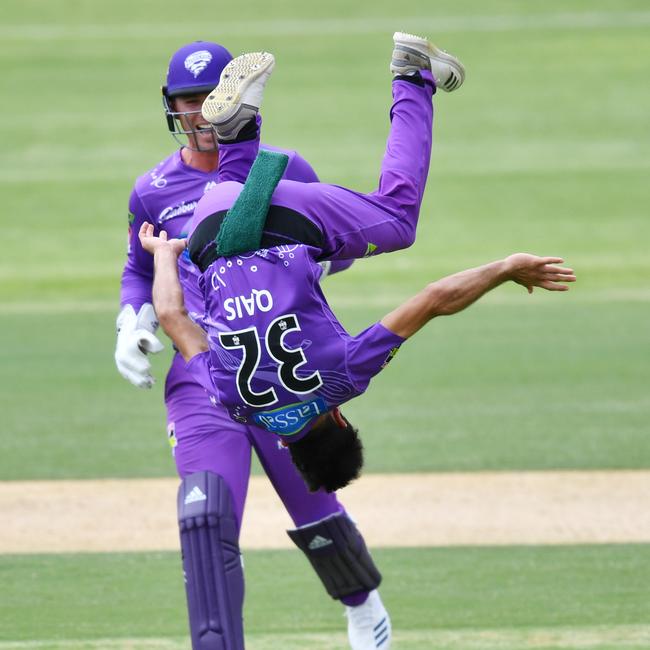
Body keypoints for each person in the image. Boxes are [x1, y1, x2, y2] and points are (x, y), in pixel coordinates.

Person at [139, 34, 574, 495]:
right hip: (207, 224)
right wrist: (167, 257)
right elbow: (173, 317)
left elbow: (433, 300)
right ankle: (235, 133)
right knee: (236, 196)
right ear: (286, 449)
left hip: (284, 230)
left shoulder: (342, 379)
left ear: (342, 421)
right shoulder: (232, 402)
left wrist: (504, 269)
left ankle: (414, 73)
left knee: (398, 220)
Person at [115, 41, 393, 650]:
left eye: (212, 101)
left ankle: (362, 602)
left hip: (275, 360)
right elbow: (139, 266)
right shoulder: (153, 188)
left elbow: (333, 241)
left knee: (310, 496)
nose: (200, 115)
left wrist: (297, 273)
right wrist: (128, 323)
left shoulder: (283, 168)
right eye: (189, 103)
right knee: (205, 515)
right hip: (201, 372)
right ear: (172, 108)